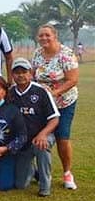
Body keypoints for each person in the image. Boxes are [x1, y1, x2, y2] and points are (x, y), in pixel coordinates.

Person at [31, 24, 79, 190]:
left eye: (47, 35)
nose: (44, 38)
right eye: (41, 35)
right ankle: (37, 171)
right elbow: (33, 75)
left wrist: (54, 93)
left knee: (62, 137)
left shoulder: (66, 54)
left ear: (55, 36)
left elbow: (73, 80)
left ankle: (67, 173)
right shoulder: (37, 54)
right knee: (38, 134)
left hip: (63, 102)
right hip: (42, 104)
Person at [9, 58, 59, 197]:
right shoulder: (10, 93)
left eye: (24, 72)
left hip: (41, 136)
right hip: (22, 141)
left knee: (41, 146)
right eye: (17, 72)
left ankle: (45, 185)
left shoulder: (41, 91)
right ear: (12, 75)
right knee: (20, 185)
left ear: (30, 73)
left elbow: (54, 118)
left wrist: (43, 134)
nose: (20, 75)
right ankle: (32, 171)